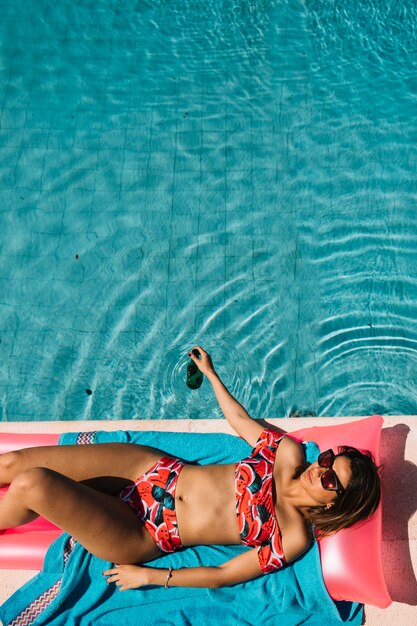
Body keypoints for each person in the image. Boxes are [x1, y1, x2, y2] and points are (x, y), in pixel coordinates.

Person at [0, 347, 381, 592]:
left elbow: (225, 574)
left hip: (146, 531)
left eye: (331, 478)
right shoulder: (288, 454)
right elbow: (239, 420)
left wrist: (152, 576)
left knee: (32, 485)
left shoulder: (293, 535)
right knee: (13, 464)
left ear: (335, 505)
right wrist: (212, 374)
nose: (320, 469)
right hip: (149, 469)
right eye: (329, 460)